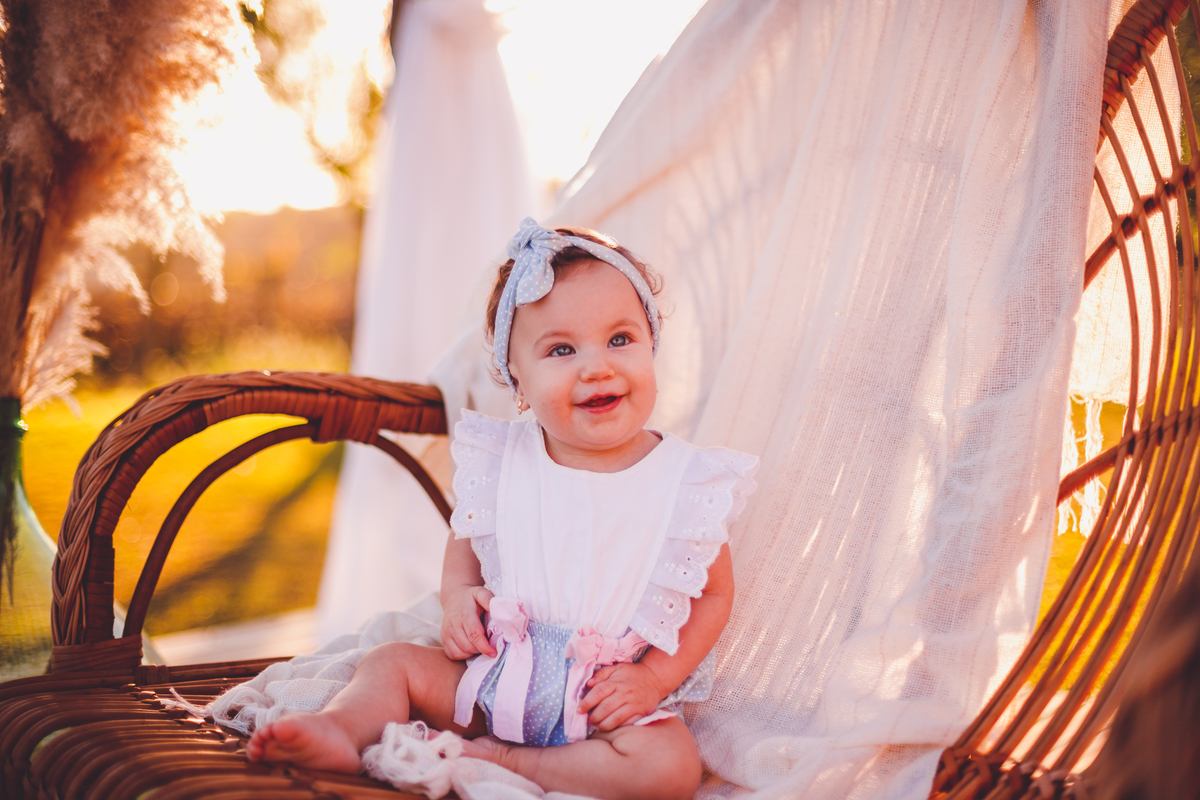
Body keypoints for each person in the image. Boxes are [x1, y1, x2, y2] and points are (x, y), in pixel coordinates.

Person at [247, 219, 757, 800]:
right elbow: (464, 546)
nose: (598, 366)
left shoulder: (686, 482)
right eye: (562, 349)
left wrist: (652, 677)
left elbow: (714, 594)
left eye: (621, 339)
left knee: (670, 768)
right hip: (491, 680)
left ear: (651, 344)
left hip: (601, 701)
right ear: (518, 375)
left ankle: (514, 763)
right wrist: (459, 600)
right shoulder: (503, 460)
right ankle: (337, 727)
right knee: (392, 663)